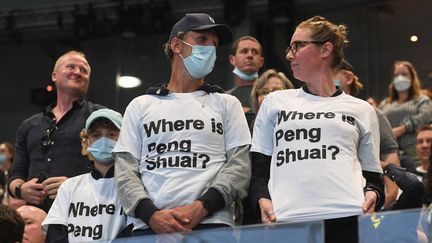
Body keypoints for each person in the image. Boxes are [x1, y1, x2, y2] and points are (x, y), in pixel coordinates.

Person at [113, 13, 251, 235]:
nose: (210, 49)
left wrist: (202, 207)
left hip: (212, 224)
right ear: (177, 45)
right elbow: (125, 170)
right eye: (202, 40)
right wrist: (151, 215)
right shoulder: (140, 105)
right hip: (149, 227)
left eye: (214, 44)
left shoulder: (226, 103)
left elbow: (240, 166)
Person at [249, 16, 384, 243]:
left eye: (298, 46)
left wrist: (373, 194)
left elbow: (373, 178)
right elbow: (260, 173)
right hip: (287, 222)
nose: (289, 55)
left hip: (347, 221)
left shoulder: (362, 110)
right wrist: (262, 200)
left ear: (326, 49)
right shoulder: (275, 102)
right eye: (289, 48)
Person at [8, 51, 104, 212]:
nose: (78, 72)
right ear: (54, 76)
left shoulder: (100, 118)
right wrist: (21, 189)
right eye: (71, 66)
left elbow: (114, 170)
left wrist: (74, 186)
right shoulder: (28, 125)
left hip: (82, 214)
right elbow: (15, 175)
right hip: (37, 217)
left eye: (84, 70)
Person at [41, 108, 130, 242]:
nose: (103, 140)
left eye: (111, 134)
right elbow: (55, 234)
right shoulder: (69, 187)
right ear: (86, 141)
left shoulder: (133, 186)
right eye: (96, 135)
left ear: (124, 139)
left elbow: (134, 233)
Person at [334, 60, 400, 209]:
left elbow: (390, 160)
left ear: (348, 78)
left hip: (367, 201)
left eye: (331, 72)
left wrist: (382, 206)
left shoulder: (370, 113)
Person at [379, 61, 432, 162]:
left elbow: (426, 117)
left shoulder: (422, 99)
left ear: (412, 77)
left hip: (414, 152)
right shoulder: (385, 104)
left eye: (404, 74)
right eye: (396, 75)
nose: (400, 78)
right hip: (389, 152)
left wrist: (402, 129)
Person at [227, 36, 264, 112]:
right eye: (244, 51)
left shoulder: (271, 94)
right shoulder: (224, 98)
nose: (250, 55)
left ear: (261, 61)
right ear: (232, 59)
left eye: (255, 52)